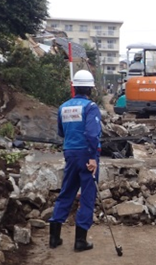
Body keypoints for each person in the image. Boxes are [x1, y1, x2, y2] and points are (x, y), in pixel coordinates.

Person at [48, 69, 102, 252]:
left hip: (69, 153)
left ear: (75, 87)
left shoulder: (63, 107)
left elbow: (61, 132)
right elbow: (92, 134)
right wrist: (93, 157)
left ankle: (54, 237)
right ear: (90, 89)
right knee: (87, 196)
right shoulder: (90, 107)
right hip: (86, 154)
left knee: (67, 192)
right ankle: (80, 240)